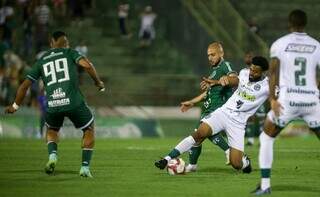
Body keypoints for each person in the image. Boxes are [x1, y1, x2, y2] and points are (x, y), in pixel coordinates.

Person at [4, 31, 105, 178]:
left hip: (52, 103)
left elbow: (24, 86)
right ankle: (84, 168)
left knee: (51, 130)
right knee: (89, 129)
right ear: (67, 43)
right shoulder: (70, 52)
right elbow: (87, 65)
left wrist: (15, 106)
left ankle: (52, 156)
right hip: (73, 102)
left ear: (52, 42)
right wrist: (98, 82)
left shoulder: (42, 60)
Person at [155, 56, 270, 173]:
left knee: (236, 164)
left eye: (255, 72)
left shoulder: (267, 86)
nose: (251, 72)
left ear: (263, 72)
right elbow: (235, 80)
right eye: (251, 69)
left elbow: (279, 98)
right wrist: (221, 80)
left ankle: (244, 161)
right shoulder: (244, 73)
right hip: (223, 113)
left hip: (238, 123)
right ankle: (167, 159)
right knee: (199, 134)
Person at [253, 10, 320, 195]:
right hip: (311, 101)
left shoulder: (279, 44)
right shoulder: (317, 45)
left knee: (266, 137)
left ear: (289, 23)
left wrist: (273, 99)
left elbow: (273, 72)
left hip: (288, 101)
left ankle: (265, 185)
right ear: (305, 23)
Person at [180, 42, 236, 172]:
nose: (210, 57)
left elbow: (233, 77)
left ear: (221, 54)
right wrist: (192, 102)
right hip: (208, 108)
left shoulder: (224, 65)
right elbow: (207, 93)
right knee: (197, 137)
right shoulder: (213, 72)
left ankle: (228, 151)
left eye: (213, 54)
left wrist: (227, 79)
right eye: (208, 55)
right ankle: (193, 165)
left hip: (218, 107)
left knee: (203, 131)